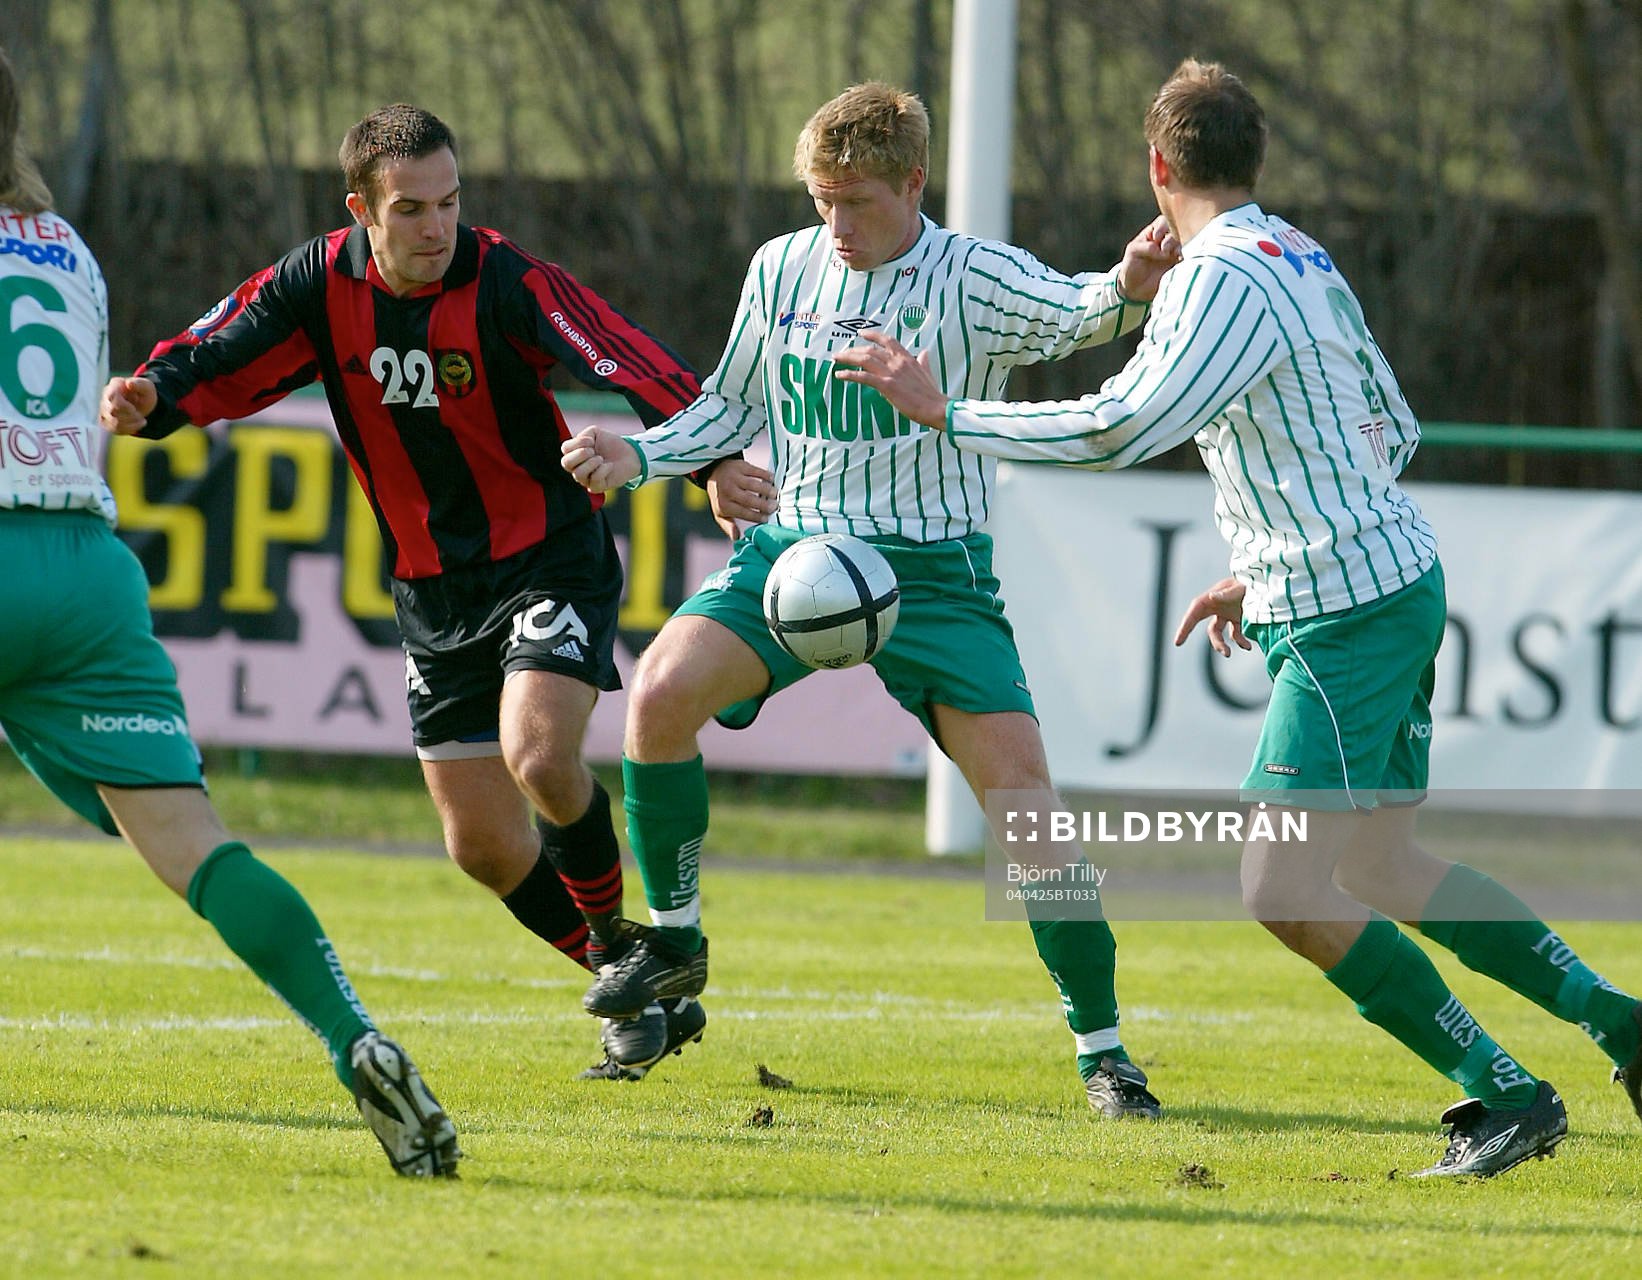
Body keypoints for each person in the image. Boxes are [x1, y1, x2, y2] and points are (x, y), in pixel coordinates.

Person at [834, 58, 1642, 1177]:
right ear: (1249, 162)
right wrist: (1263, 560)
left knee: (1280, 886)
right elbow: (1388, 427)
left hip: (1346, 609)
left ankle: (1503, 1090)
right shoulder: (1298, 253)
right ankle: (1622, 1021)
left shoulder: (1219, 278)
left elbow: (1119, 427)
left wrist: (944, 408)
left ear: (1157, 166)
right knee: (1383, 865)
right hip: (1379, 580)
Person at [99, 104, 763, 1082]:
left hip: (549, 553)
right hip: (432, 593)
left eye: (449, 201)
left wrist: (708, 466)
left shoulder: (503, 277)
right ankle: (635, 974)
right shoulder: (318, 282)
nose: (436, 226)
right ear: (359, 207)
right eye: (411, 208)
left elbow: (628, 357)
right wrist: (153, 394)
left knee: (538, 752)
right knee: (485, 846)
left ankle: (637, 957)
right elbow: (224, 347)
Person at [560, 81, 1180, 1117]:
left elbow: (1078, 312)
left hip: (934, 575)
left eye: (857, 200)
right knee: (659, 693)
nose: (835, 224)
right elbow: (728, 403)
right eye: (820, 199)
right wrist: (640, 456)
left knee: (1029, 813)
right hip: (797, 552)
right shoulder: (779, 266)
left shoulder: (969, 275)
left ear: (913, 183)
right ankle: (674, 944)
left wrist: (1130, 279)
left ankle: (1105, 1053)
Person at [0, 51, 457, 1177]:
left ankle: (993, 873)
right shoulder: (65, 250)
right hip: (85, 567)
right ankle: (357, 1033)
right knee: (193, 844)